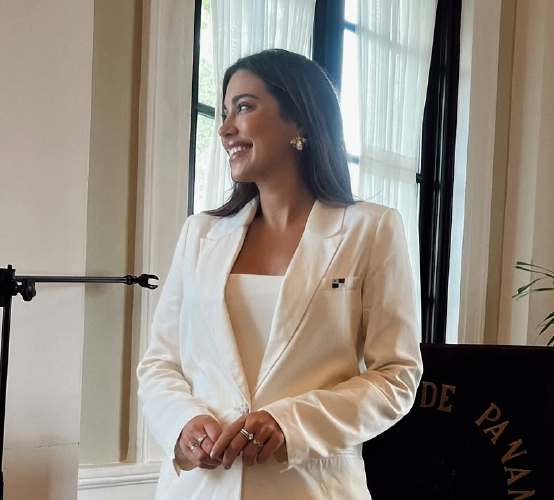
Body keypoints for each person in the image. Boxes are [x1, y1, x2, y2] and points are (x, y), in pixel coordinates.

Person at [136, 49, 423, 499]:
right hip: (200, 488)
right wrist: (183, 423)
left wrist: (289, 423)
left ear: (300, 119)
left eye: (244, 107)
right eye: (225, 112)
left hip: (310, 487)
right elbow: (160, 363)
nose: (225, 128)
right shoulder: (201, 234)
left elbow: (396, 376)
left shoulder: (371, 229)